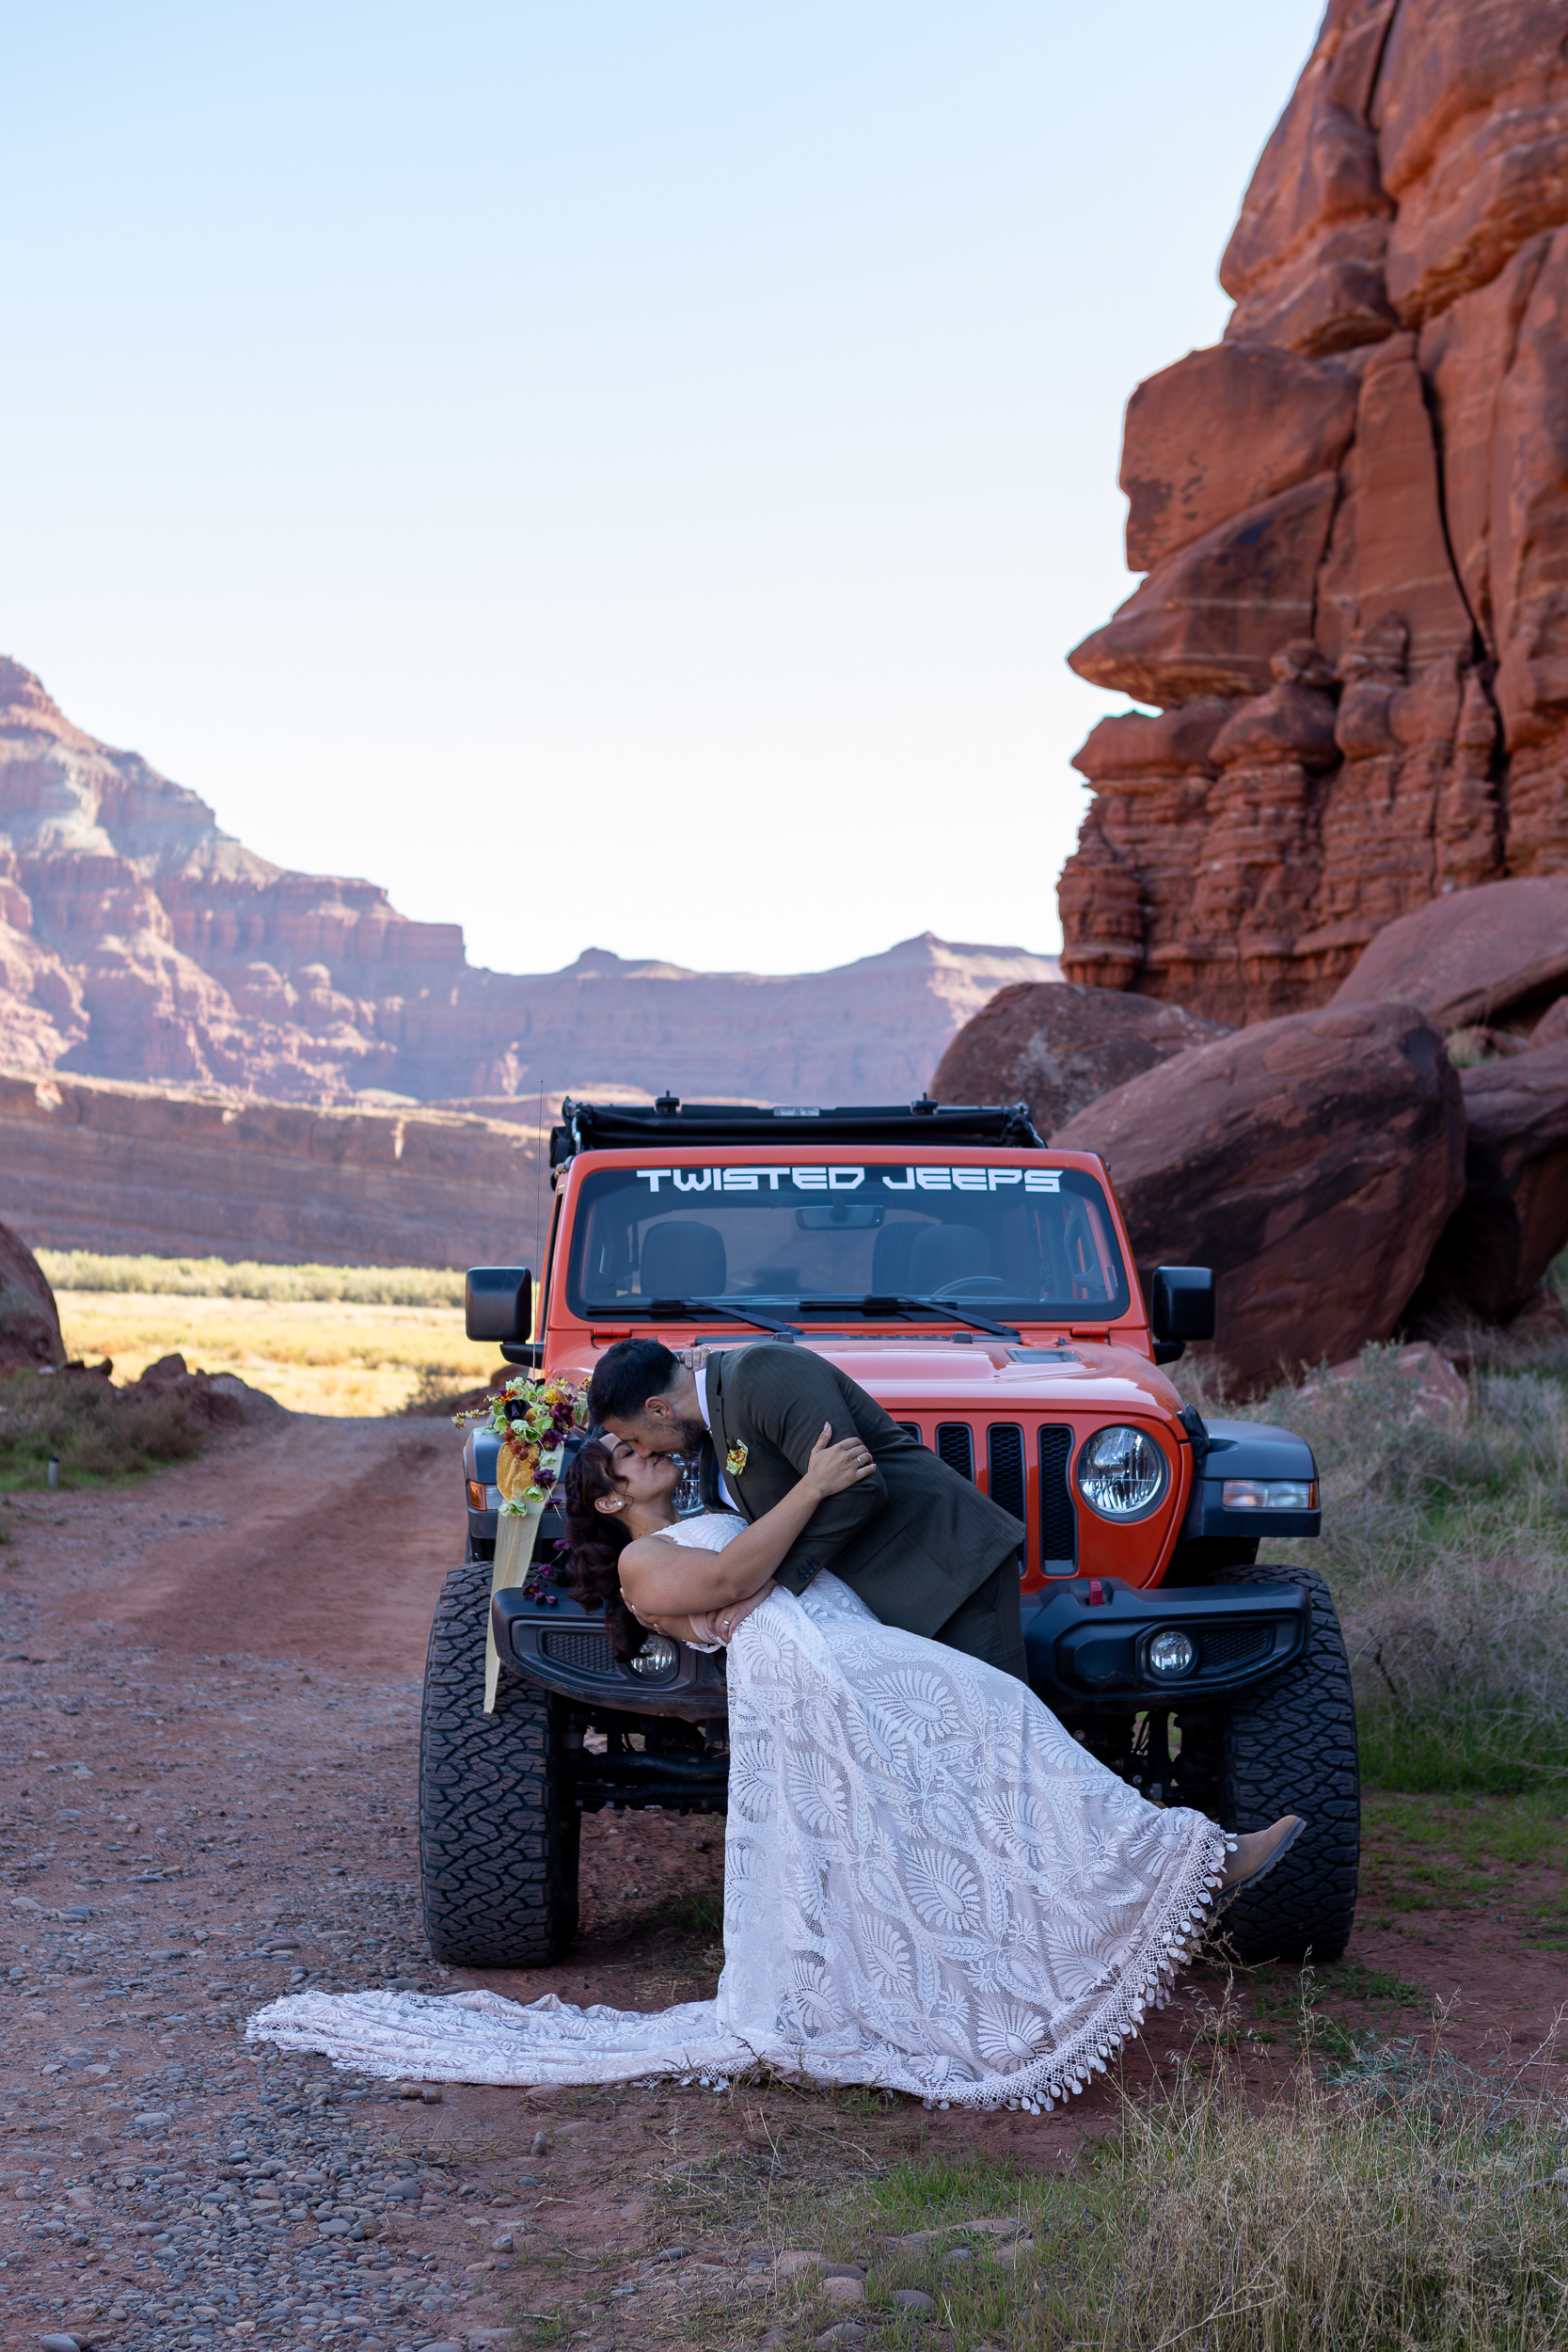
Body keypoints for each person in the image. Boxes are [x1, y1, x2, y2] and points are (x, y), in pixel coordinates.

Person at [247, 1422, 1302, 2111]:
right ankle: (1182, 1867)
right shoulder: (640, 1560)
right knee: (996, 1724)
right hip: (813, 1667)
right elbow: (740, 1572)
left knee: (979, 1761)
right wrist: (819, 1484)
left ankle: (1138, 1889)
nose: (642, 1447)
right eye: (622, 1452)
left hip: (841, 1643)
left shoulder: (703, 1500)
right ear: (608, 1499)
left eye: (638, 1439)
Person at [587, 1335, 1031, 1677]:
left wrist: (770, 1587)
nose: (642, 1452)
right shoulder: (707, 1425)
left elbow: (856, 1484)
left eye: (634, 1439)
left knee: (1003, 1745)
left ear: (659, 1409)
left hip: (946, 1570)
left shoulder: (762, 1372)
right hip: (880, 1607)